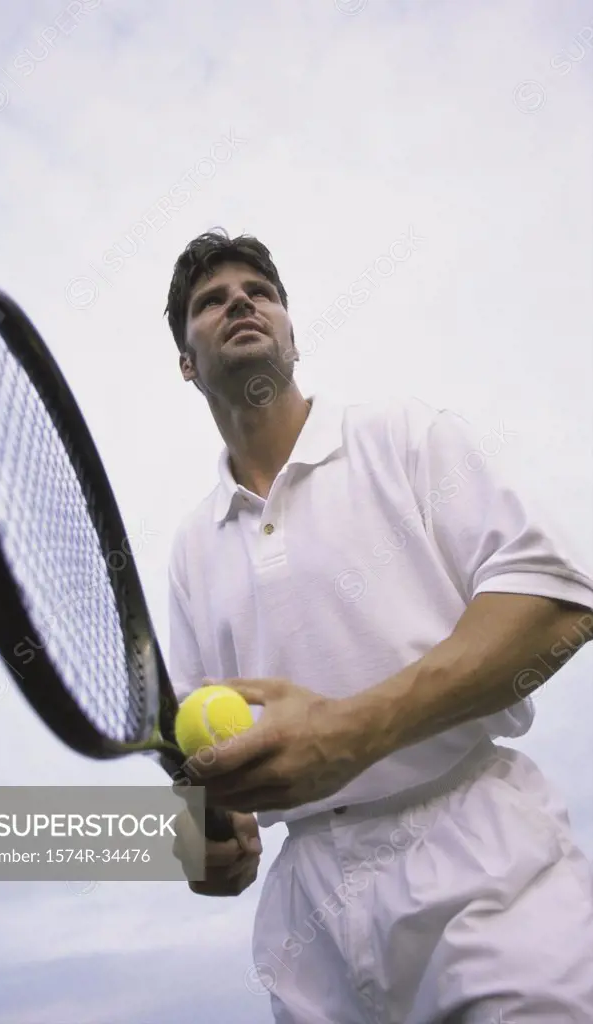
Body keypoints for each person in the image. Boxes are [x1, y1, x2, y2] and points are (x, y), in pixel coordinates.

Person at [162, 228, 593, 1023]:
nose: (242, 303)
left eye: (261, 291)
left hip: (478, 857)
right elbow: (208, 772)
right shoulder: (191, 548)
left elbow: (559, 605)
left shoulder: (402, 436)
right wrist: (211, 843)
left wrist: (353, 730)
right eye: (211, 301)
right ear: (187, 363)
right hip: (308, 924)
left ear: (290, 330)